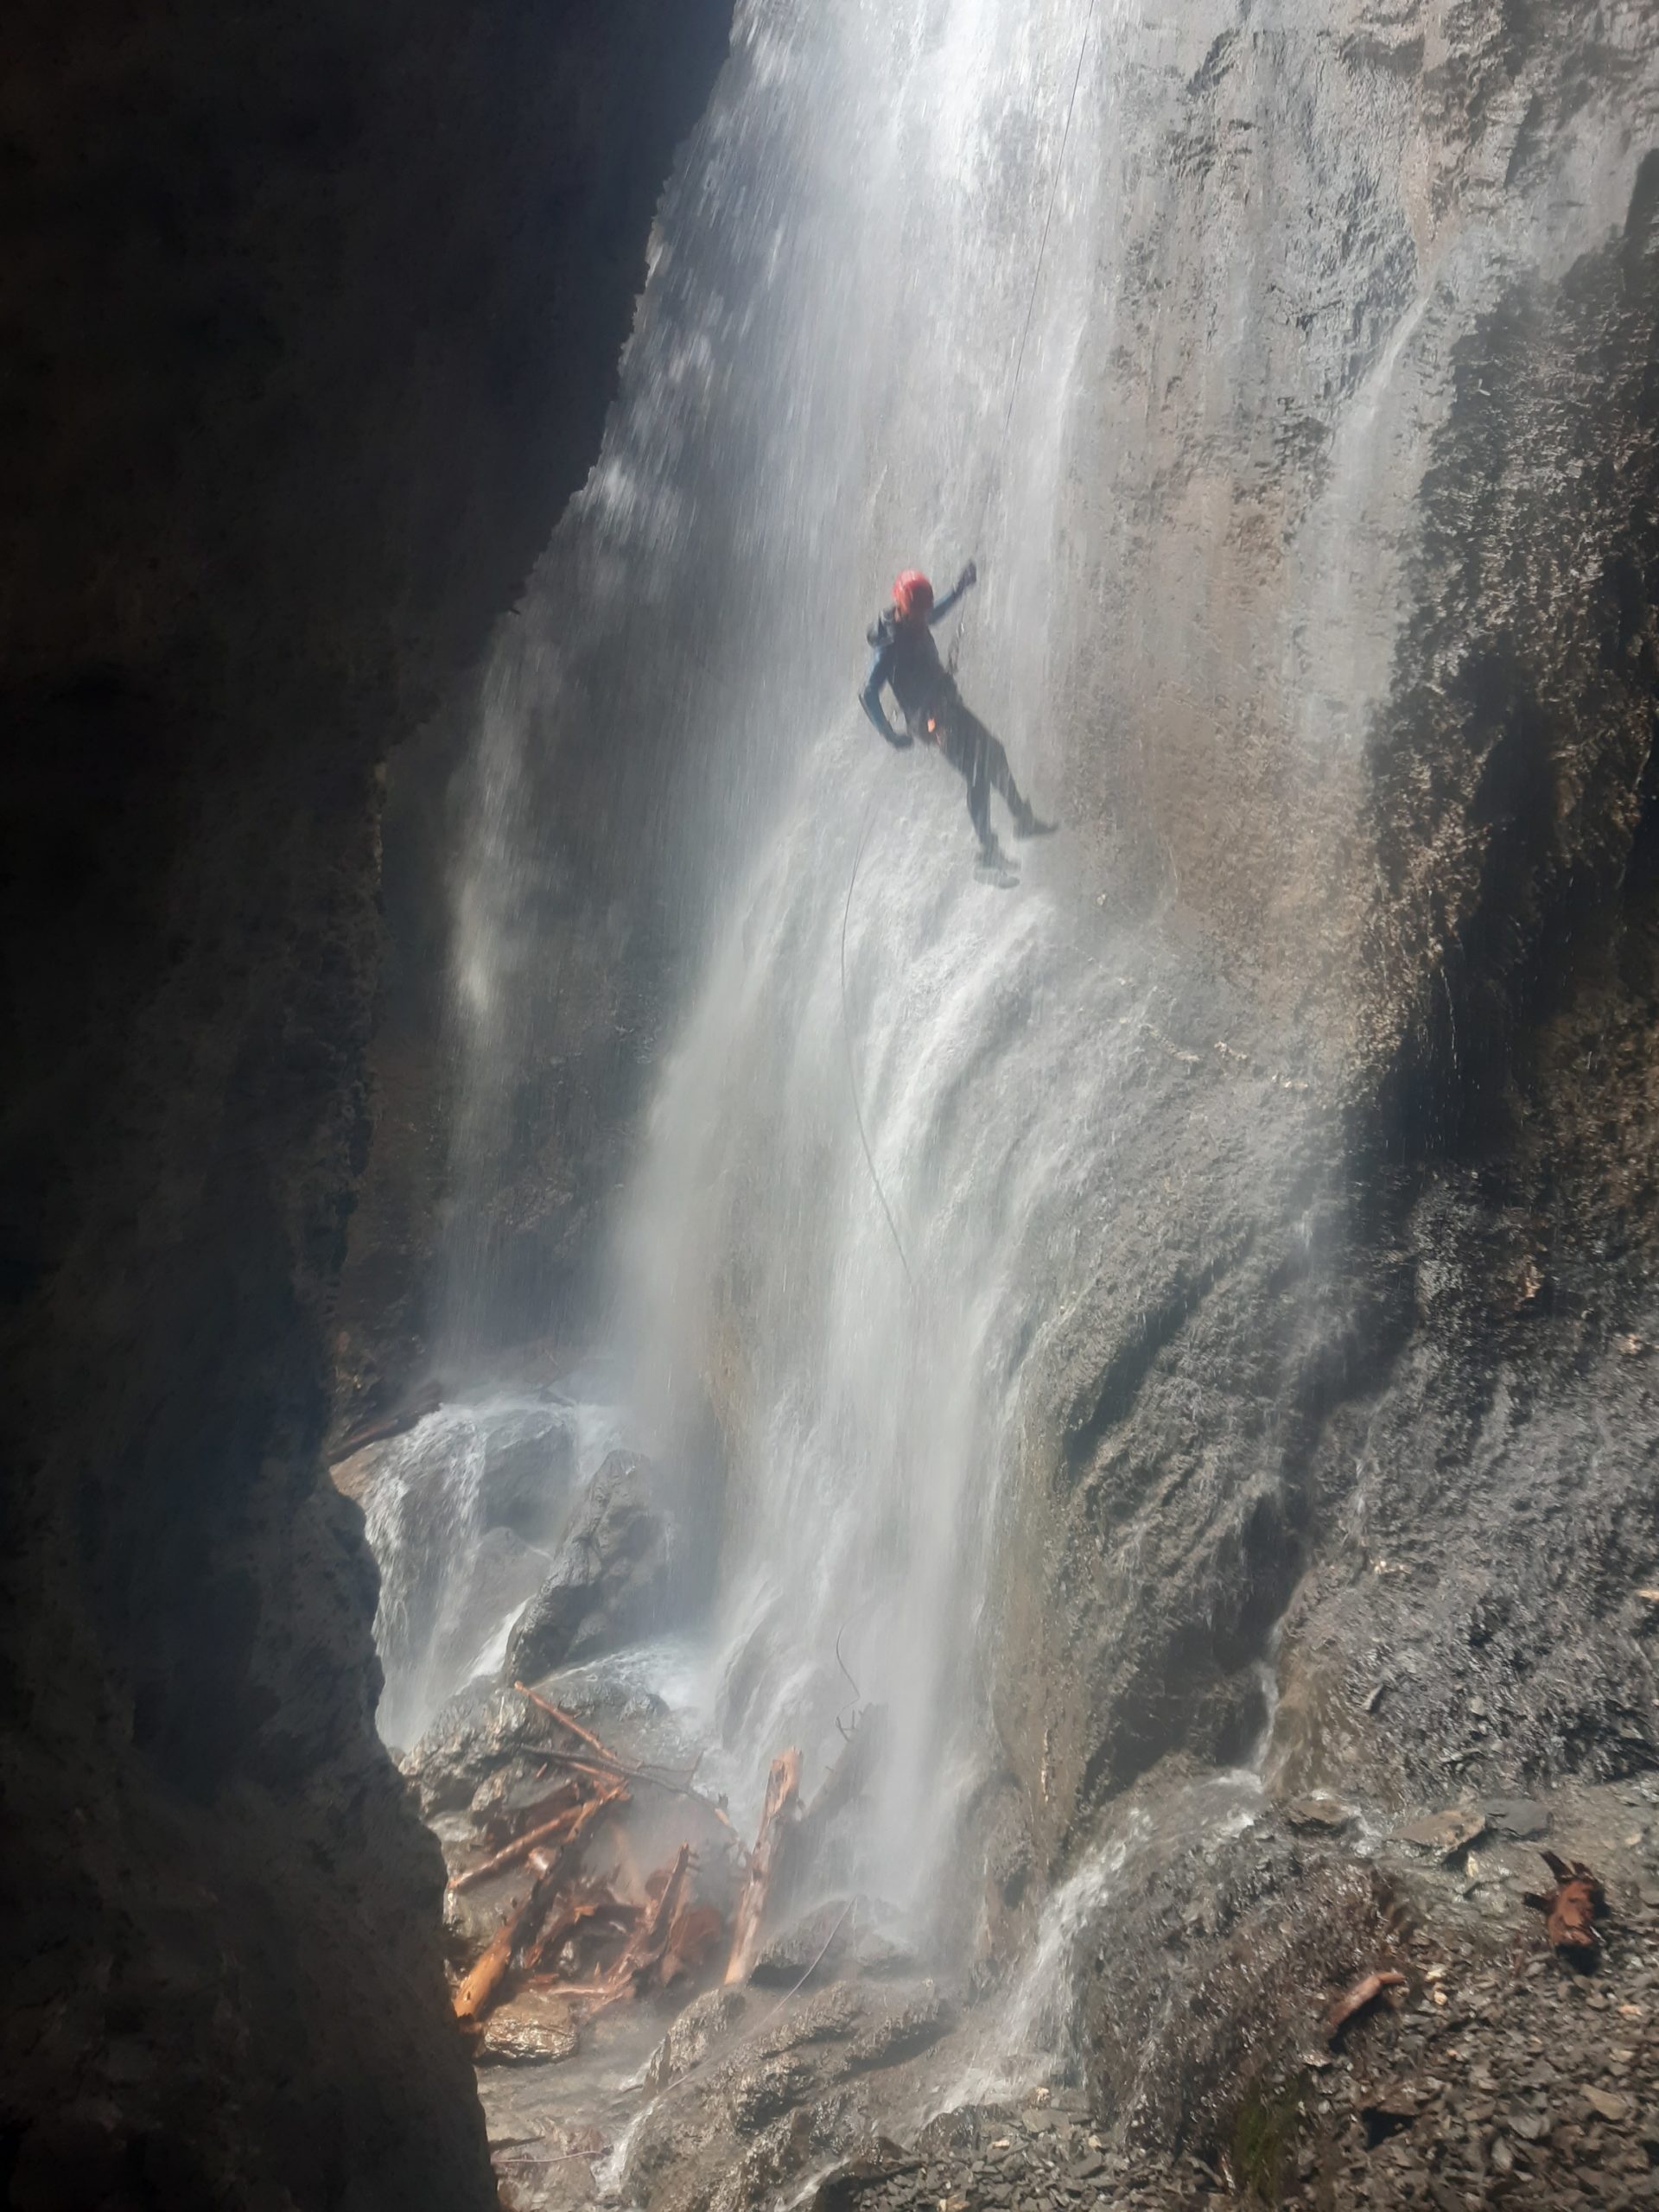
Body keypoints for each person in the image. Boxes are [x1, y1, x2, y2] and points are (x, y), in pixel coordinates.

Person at [859, 562, 1055, 868]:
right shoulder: (889, 646)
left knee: (996, 754)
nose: (923, 619)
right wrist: (889, 734)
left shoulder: (916, 618)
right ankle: (988, 851)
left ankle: (1022, 819)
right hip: (929, 720)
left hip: (947, 706)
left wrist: (959, 589)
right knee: (976, 774)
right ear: (901, 607)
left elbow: (934, 613)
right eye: (917, 614)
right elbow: (868, 692)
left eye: (924, 613)